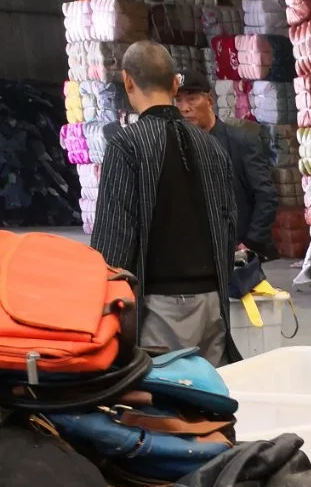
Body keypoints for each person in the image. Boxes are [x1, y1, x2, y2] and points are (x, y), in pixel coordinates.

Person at [90, 40, 237, 365]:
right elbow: (229, 226)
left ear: (128, 81)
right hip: (213, 305)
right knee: (212, 400)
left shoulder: (126, 145)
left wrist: (102, 307)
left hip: (159, 308)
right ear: (174, 84)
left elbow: (114, 235)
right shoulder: (212, 147)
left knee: (165, 405)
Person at [176, 81, 278, 262]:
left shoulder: (241, 141)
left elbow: (266, 196)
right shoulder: (178, 146)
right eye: (178, 101)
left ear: (209, 100)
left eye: (191, 99)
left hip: (240, 253)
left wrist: (250, 243)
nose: (184, 108)